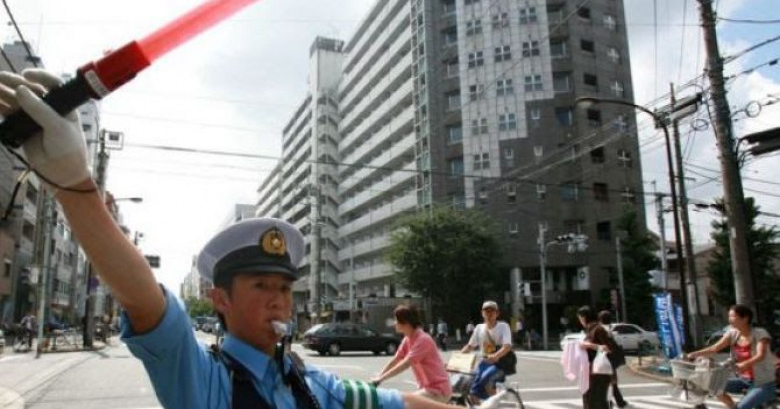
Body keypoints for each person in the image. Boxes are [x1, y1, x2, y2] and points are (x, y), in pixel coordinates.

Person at [0, 69, 493, 409]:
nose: (280, 301)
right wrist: (76, 186)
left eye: (284, 288)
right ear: (220, 299)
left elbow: (396, 403)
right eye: (261, 286)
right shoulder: (202, 379)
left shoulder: (310, 383)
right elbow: (147, 300)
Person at [687, 304, 776, 409]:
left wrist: (745, 364)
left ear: (745, 318)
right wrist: (693, 354)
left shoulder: (760, 333)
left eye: (733, 316)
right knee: (714, 386)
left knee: (742, 407)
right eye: (729, 316)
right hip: (743, 380)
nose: (730, 319)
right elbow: (714, 348)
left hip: (763, 382)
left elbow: (760, 355)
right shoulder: (732, 334)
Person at [371, 304, 452, 402]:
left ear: (406, 323)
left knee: (403, 402)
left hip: (438, 390)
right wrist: (379, 376)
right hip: (426, 389)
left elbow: (406, 363)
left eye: (397, 320)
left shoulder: (423, 339)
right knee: (403, 401)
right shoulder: (408, 339)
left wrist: (381, 379)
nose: (394, 323)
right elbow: (396, 359)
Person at [460, 301, 513, 404]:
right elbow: (470, 346)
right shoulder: (479, 328)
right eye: (486, 311)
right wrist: (455, 359)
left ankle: (494, 404)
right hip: (483, 364)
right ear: (482, 313)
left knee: (487, 381)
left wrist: (496, 356)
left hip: (500, 364)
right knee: (471, 391)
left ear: (497, 313)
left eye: (492, 311)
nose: (489, 314)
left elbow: (507, 346)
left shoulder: (503, 326)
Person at [576, 306, 614, 409]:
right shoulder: (589, 330)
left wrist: (589, 345)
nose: (580, 321)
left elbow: (609, 348)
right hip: (591, 371)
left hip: (599, 372)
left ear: (584, 317)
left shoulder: (598, 329)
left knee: (596, 401)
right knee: (591, 400)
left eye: (580, 318)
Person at [597, 310, 628, 409]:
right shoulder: (611, 328)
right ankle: (619, 401)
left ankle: (612, 402)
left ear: (600, 319)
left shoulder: (600, 329)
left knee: (606, 383)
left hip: (604, 359)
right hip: (611, 359)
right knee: (612, 382)